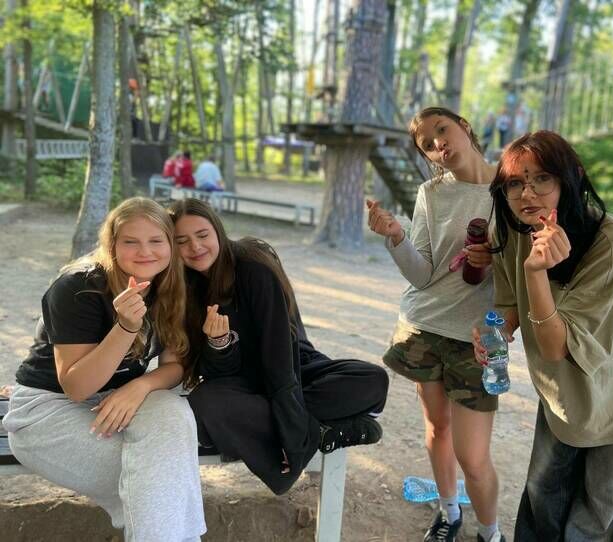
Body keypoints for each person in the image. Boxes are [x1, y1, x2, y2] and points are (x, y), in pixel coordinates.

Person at [474, 130, 613, 541]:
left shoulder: (610, 240)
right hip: (566, 390)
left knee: (598, 516)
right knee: (543, 499)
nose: (527, 193)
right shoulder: (511, 230)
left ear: (572, 177)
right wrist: (496, 330)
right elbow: (510, 303)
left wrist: (536, 272)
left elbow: (556, 345)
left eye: (542, 178)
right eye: (515, 183)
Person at [2, 197, 206, 541]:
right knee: (163, 477)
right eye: (131, 241)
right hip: (47, 412)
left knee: (171, 412)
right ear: (112, 245)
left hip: (118, 400)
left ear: (171, 244)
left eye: (156, 240)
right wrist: (125, 327)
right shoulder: (78, 287)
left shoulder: (172, 286)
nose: (145, 252)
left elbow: (175, 366)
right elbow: (77, 388)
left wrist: (140, 386)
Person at [168, 198, 389, 495]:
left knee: (373, 380)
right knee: (205, 402)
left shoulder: (253, 266)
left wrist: (292, 435)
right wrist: (219, 344)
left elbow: (280, 357)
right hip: (242, 384)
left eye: (202, 235)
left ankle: (299, 432)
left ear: (218, 231)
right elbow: (213, 374)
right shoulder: (181, 289)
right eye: (182, 241)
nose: (195, 247)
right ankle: (323, 432)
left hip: (292, 367)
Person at [367, 106, 505, 542]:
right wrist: (396, 237)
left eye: (442, 130)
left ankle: (491, 533)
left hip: (477, 339)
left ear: (464, 126)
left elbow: (525, 267)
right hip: (424, 328)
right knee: (437, 428)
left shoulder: (511, 186)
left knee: (474, 457)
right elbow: (423, 274)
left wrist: (495, 258)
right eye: (427, 144)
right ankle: (448, 512)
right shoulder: (431, 192)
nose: (438, 143)